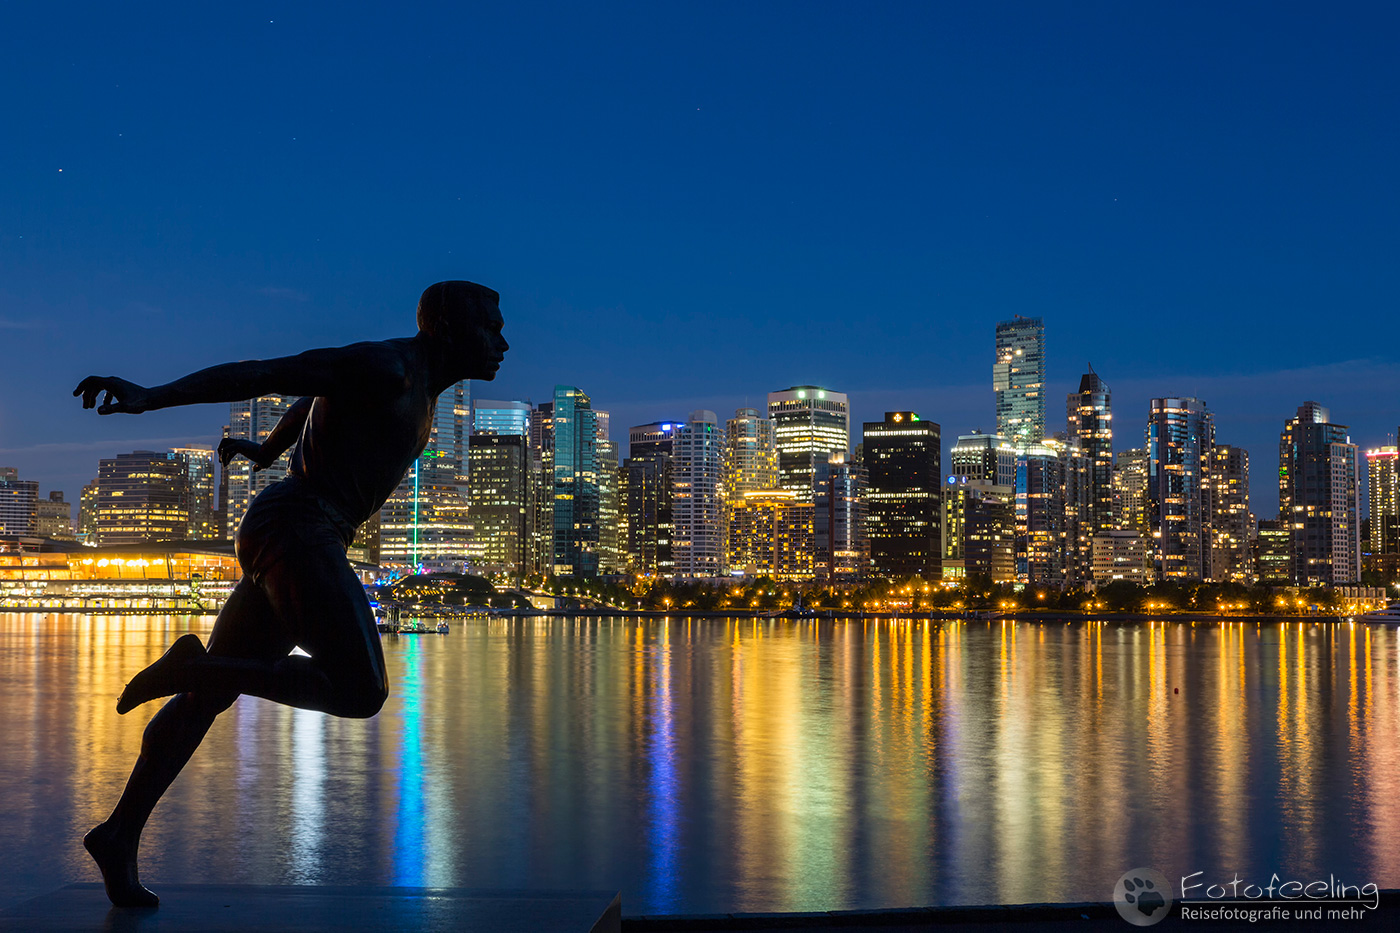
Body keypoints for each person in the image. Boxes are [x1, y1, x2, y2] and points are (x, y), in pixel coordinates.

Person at [72, 281, 508, 908]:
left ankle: (118, 835)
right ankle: (197, 664)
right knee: (362, 690)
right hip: (300, 531)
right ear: (445, 326)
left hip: (293, 530)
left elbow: (308, 402)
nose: (503, 342)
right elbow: (269, 372)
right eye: (491, 327)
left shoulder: (421, 390)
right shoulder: (386, 366)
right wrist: (151, 398)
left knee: (202, 703)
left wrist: (266, 448)